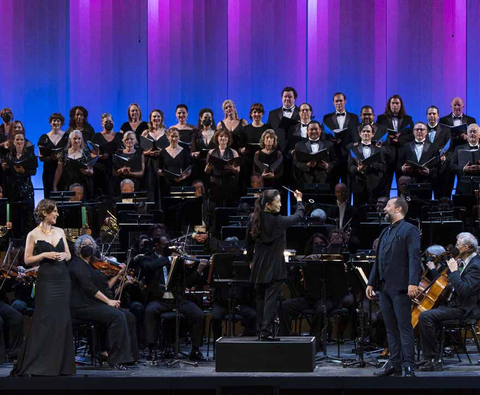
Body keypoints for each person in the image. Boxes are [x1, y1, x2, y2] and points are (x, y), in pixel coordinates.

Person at [12, 199, 75, 376]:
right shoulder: (33, 234)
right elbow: (27, 260)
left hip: (63, 279)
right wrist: (46, 254)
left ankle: (61, 365)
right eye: (54, 211)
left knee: (61, 319)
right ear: (45, 213)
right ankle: (38, 364)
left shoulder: (60, 231)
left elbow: (70, 255)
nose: (57, 214)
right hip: (47, 280)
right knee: (44, 320)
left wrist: (64, 255)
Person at [366, 196, 421, 377]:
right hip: (384, 287)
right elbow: (378, 260)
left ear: (398, 209)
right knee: (390, 328)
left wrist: (413, 282)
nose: (384, 209)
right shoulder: (385, 232)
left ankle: (409, 365)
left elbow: (414, 257)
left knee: (404, 326)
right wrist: (371, 282)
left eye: (388, 206)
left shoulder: (409, 229)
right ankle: (395, 364)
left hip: (400, 287)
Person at [69, 235, 139, 370]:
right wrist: (108, 301)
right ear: (78, 248)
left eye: (90, 244)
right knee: (117, 316)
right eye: (84, 245)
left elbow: (105, 285)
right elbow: (89, 287)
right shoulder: (76, 264)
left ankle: (131, 357)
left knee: (129, 316)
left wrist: (119, 275)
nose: (87, 247)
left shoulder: (93, 265)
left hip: (94, 304)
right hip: (81, 306)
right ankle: (116, 359)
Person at [246, 189, 304, 340]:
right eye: (277, 201)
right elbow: (298, 216)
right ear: (268, 205)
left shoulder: (254, 218)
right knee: (271, 300)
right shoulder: (277, 221)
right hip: (273, 265)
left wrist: (251, 261)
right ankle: (266, 332)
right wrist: (299, 200)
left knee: (260, 299)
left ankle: (260, 331)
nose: (281, 204)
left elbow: (248, 243)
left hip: (259, 264)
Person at [418, 233, 480, 371]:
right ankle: (430, 357)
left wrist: (454, 271)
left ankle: (431, 359)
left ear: (466, 248)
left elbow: (464, 289)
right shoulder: (465, 262)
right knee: (427, 313)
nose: (455, 248)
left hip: (465, 310)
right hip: (456, 305)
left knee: (425, 316)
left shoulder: (476, 265)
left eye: (457, 245)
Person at [2, 131, 38, 237]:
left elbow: (34, 172)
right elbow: (6, 173)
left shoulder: (30, 155)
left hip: (26, 189)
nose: (19, 142)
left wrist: (24, 171)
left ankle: (27, 239)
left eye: (21, 139)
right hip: (13, 188)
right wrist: (4, 168)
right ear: (13, 141)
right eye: (17, 139)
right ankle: (15, 240)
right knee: (15, 215)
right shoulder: (8, 155)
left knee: (27, 215)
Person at [322, 92, 360, 186]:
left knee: (347, 186)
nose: (339, 103)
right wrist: (332, 141)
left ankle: (346, 201)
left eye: (341, 101)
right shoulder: (326, 118)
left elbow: (356, 137)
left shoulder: (354, 117)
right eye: (336, 101)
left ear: (345, 101)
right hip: (333, 157)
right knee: (332, 186)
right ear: (333, 103)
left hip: (348, 156)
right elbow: (324, 137)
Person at [348, 124, 387, 207]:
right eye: (364, 131)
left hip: (375, 186)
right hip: (358, 185)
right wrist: (358, 169)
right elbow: (350, 167)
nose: (366, 133)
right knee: (358, 213)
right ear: (360, 134)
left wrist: (371, 164)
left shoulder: (379, 150)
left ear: (373, 134)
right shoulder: (353, 149)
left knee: (374, 212)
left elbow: (383, 167)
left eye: (368, 131)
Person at [293, 121, 338, 188]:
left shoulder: (329, 144)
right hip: (305, 181)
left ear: (320, 130)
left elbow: (335, 161)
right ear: (307, 131)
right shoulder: (299, 145)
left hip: (324, 181)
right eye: (311, 129)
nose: (314, 131)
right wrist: (307, 165)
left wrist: (328, 166)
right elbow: (296, 162)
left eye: (316, 129)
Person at [53, 130, 94, 200]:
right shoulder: (64, 153)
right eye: (74, 138)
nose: (77, 141)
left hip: (82, 183)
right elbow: (59, 170)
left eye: (79, 138)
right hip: (67, 183)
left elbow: (91, 171)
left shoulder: (86, 153)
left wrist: (87, 171)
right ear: (70, 139)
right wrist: (54, 185)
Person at [205, 129, 240, 207]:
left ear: (228, 139)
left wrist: (232, 168)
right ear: (217, 138)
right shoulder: (211, 152)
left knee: (229, 205)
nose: (223, 138)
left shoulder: (234, 152)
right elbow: (206, 171)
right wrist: (208, 169)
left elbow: (238, 170)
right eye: (221, 136)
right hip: (215, 183)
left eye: (226, 136)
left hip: (229, 183)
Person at [141, 109, 169, 207]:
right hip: (149, 162)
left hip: (162, 162)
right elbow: (140, 151)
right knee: (150, 187)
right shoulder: (145, 132)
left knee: (162, 188)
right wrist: (147, 152)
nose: (156, 118)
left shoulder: (167, 132)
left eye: (158, 116)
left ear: (162, 118)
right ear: (150, 119)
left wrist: (162, 152)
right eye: (154, 116)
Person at [91, 113, 123, 198]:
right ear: (102, 124)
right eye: (106, 122)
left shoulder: (120, 136)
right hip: (100, 168)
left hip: (115, 168)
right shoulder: (96, 136)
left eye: (110, 121)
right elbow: (92, 153)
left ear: (113, 122)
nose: (108, 123)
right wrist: (99, 156)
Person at [38, 113, 69, 198]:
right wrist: (49, 157)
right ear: (50, 122)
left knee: (63, 196)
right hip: (48, 171)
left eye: (58, 121)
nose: (56, 122)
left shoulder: (67, 137)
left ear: (61, 123)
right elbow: (41, 157)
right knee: (49, 196)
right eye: (54, 120)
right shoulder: (43, 138)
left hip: (63, 171)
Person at [450, 123, 480, 195]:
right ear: (467, 135)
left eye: (474, 132)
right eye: (470, 132)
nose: (472, 134)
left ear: (479, 135)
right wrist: (464, 168)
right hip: (463, 188)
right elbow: (451, 167)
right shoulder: (458, 148)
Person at [267, 87, 300, 152]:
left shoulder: (302, 113)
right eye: (285, 96)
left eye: (290, 97)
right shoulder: (272, 113)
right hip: (277, 150)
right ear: (282, 98)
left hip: (296, 150)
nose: (287, 99)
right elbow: (269, 131)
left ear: (295, 99)